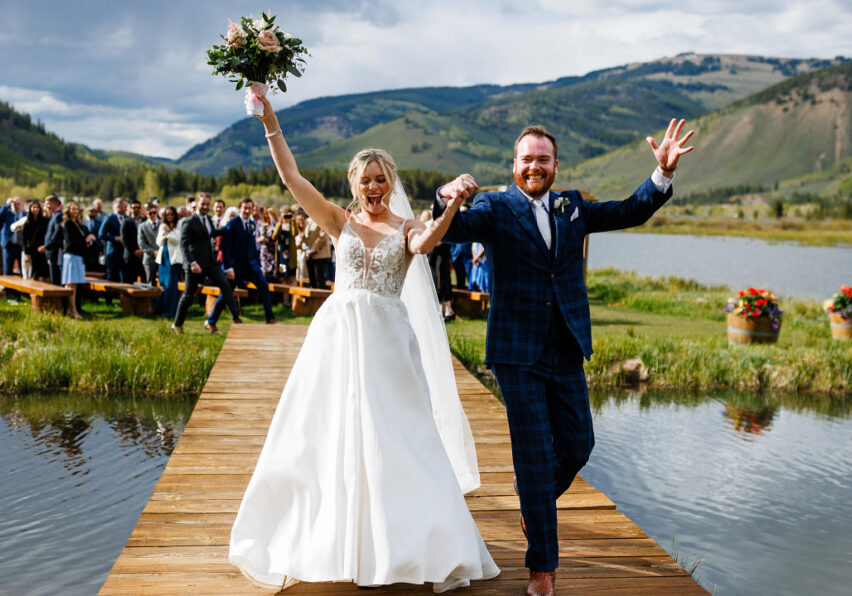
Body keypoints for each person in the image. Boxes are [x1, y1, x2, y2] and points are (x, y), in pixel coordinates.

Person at [228, 96, 499, 592]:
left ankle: (410, 542)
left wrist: (454, 206)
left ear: (390, 183)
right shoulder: (338, 221)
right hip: (336, 339)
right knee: (325, 432)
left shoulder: (407, 228)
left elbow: (429, 243)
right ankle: (334, 540)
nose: (373, 187)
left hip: (389, 343)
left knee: (398, 435)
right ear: (353, 184)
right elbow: (292, 178)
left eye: (381, 179)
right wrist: (270, 121)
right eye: (365, 179)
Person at [433, 119, 694, 596]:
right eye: (526, 159)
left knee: (578, 446)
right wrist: (445, 196)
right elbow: (452, 231)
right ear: (514, 165)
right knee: (534, 457)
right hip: (516, 352)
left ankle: (533, 501)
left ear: (555, 166)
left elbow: (629, 211)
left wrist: (661, 174)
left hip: (566, 345)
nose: (535, 166)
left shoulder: (570, 205)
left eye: (543, 159)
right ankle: (543, 572)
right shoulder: (493, 206)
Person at [172, 193, 240, 334]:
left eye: (207, 204)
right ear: (197, 204)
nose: (205, 207)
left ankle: (235, 318)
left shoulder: (207, 219)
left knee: (226, 286)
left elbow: (212, 233)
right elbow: (183, 245)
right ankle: (177, 325)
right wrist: (192, 262)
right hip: (195, 265)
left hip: (210, 263)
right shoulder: (188, 222)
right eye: (203, 204)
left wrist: (229, 226)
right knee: (188, 296)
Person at [211, 197, 276, 330]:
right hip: (236, 267)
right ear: (240, 208)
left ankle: (270, 318)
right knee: (227, 293)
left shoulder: (252, 223)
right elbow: (226, 247)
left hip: (251, 266)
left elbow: (252, 246)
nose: (247, 211)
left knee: (264, 286)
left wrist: (259, 266)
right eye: (245, 208)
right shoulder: (233, 223)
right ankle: (211, 322)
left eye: (250, 208)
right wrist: (228, 268)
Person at [61, 201, 95, 319]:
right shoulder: (68, 223)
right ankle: (72, 310)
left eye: (77, 209)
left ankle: (72, 309)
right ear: (68, 210)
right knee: (71, 284)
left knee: (73, 284)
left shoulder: (77, 224)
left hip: (78, 256)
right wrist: (86, 239)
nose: (76, 211)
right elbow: (72, 242)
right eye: (73, 209)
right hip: (71, 256)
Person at [155, 206, 183, 319]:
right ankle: (161, 309)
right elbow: (158, 242)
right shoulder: (162, 226)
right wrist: (164, 235)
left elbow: (178, 240)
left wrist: (168, 234)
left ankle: (171, 311)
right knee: (163, 285)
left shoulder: (179, 225)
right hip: (163, 258)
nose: (169, 217)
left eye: (171, 214)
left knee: (171, 285)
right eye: (167, 215)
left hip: (173, 260)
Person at [98, 197, 127, 282]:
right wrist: (115, 238)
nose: (126, 209)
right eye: (125, 206)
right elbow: (101, 234)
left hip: (124, 254)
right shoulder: (109, 218)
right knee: (112, 278)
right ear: (118, 206)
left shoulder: (127, 218)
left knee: (124, 278)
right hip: (113, 253)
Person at [22, 200, 49, 280]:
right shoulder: (27, 223)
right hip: (32, 251)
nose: (36, 209)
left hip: (42, 249)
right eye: (34, 207)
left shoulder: (45, 221)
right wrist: (26, 253)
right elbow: (24, 239)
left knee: (45, 273)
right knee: (34, 273)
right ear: (30, 208)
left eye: (37, 207)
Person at [121, 199, 145, 284]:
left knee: (144, 280)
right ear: (130, 209)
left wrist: (142, 251)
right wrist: (135, 251)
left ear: (141, 208)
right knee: (129, 281)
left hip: (143, 255)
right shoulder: (126, 222)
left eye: (138, 207)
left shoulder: (145, 221)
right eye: (134, 207)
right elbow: (124, 239)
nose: (136, 209)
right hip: (130, 255)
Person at [0, 197, 26, 276]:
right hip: (9, 244)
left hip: (21, 245)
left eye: (18, 204)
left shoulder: (24, 215)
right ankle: (8, 288)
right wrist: (7, 205)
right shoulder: (7, 214)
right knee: (8, 269)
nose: (16, 206)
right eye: (14, 204)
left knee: (23, 269)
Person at [138, 201, 160, 285]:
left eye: (154, 212)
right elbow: (141, 243)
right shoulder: (142, 226)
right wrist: (153, 252)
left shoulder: (163, 224)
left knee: (163, 282)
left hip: (163, 257)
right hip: (149, 258)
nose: (153, 215)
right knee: (150, 282)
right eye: (150, 213)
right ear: (146, 214)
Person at [43, 195, 64, 285]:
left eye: (48, 204)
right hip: (51, 251)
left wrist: (47, 246)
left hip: (54, 251)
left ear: (55, 203)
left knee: (55, 278)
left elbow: (57, 233)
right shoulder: (54, 216)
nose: (47, 206)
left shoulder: (58, 216)